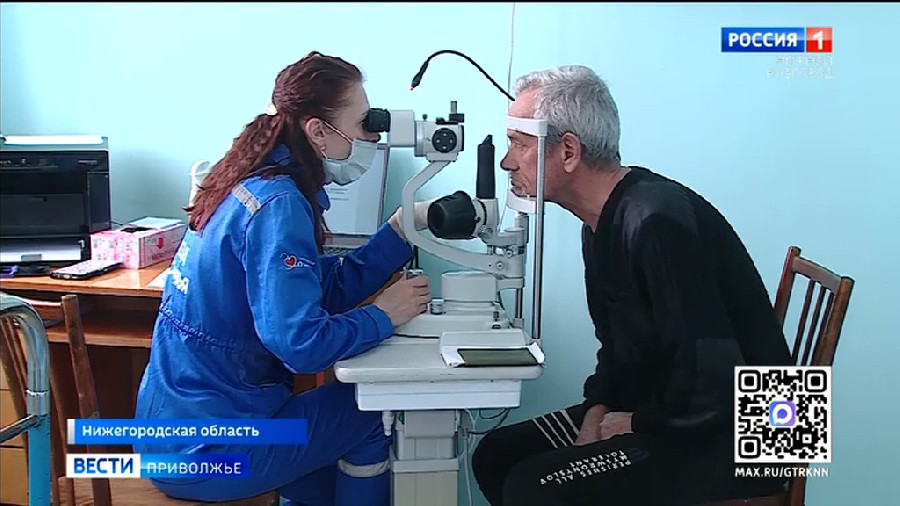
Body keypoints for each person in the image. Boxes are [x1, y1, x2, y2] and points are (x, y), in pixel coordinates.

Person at [471, 65, 794, 506]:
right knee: (496, 455)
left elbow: (712, 376)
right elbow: (621, 350)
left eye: (519, 144)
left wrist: (637, 423)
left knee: (534, 487)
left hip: (754, 438)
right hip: (677, 410)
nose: (507, 162)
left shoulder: (655, 222)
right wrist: (598, 409)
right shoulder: (600, 222)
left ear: (569, 151)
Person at [133, 51, 436, 506]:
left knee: (329, 473)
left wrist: (399, 230)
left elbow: (308, 291)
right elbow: (301, 345)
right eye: (363, 124)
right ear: (318, 131)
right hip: (212, 451)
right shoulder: (279, 205)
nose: (373, 137)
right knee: (375, 408)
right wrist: (382, 316)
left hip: (174, 436)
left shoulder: (246, 181)